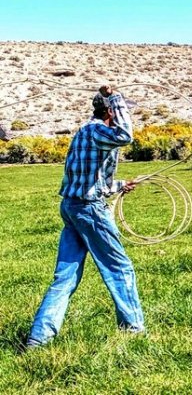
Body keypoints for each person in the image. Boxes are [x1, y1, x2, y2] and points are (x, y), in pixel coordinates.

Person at [26, 86, 144, 348]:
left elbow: (85, 178)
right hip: (89, 210)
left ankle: (38, 338)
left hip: (72, 207)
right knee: (119, 268)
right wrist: (116, 97)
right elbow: (125, 136)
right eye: (122, 111)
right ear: (110, 112)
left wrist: (119, 185)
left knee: (65, 276)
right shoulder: (99, 131)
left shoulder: (84, 132)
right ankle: (133, 330)